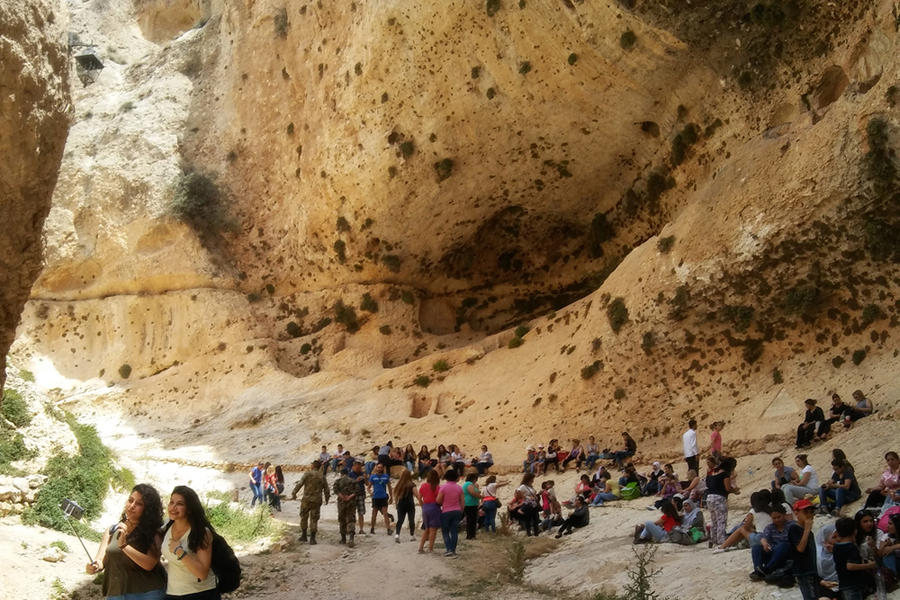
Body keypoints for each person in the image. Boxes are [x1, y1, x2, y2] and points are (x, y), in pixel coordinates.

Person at [86, 484, 166, 600]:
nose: (132, 506)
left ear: (148, 509)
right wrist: (93, 567)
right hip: (115, 594)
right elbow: (101, 560)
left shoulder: (154, 533)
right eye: (130, 500)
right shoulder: (112, 530)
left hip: (147, 594)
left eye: (139, 504)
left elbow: (150, 564)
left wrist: (124, 546)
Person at [162, 486, 218, 599]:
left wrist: (180, 552)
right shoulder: (167, 526)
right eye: (171, 502)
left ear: (189, 508)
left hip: (200, 593)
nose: (173, 507)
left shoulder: (201, 532)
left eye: (180, 504)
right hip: (173, 593)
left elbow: (202, 574)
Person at [832, 516, 877, 600]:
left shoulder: (836, 546)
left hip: (844, 583)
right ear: (854, 531)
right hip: (852, 585)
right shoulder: (850, 547)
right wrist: (870, 565)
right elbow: (850, 566)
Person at [749, 504, 793, 581]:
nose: (776, 520)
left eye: (779, 517)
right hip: (773, 552)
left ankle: (767, 570)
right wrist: (765, 544)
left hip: (787, 553)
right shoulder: (770, 527)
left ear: (784, 515)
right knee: (756, 548)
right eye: (774, 518)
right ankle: (758, 571)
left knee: (783, 545)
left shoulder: (792, 525)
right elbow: (763, 538)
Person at [292, 460, 330, 544]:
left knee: (304, 517)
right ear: (319, 467)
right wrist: (327, 498)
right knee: (314, 518)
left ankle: (304, 536)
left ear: (313, 466)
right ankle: (312, 538)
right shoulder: (322, 476)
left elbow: (300, 484)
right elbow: (326, 489)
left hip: (306, 500)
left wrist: (294, 493)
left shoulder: (307, 474)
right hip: (316, 500)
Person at [787, 499, 818, 600]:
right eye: (805, 512)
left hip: (811, 570)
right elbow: (800, 548)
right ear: (796, 513)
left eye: (811, 512)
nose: (809, 515)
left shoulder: (808, 532)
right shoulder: (794, 528)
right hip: (803, 571)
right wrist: (807, 529)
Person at [706, 456, 739, 546]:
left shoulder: (712, 473)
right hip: (719, 498)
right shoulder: (725, 474)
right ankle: (721, 540)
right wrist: (735, 490)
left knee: (714, 520)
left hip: (709, 498)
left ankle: (713, 539)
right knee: (721, 520)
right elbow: (727, 488)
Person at [437, 469, 464, 557]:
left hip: (446, 511)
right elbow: (462, 501)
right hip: (457, 511)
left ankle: (448, 549)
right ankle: (453, 550)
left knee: (445, 531)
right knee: (454, 531)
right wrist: (461, 511)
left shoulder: (443, 487)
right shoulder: (459, 487)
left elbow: (438, 500)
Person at [418, 469, 442, 553]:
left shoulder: (423, 485)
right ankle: (430, 548)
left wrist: (422, 506)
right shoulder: (438, 487)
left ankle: (421, 547)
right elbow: (440, 499)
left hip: (425, 507)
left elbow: (419, 497)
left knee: (426, 529)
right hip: (434, 507)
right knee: (433, 530)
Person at [333, 467, 358, 547]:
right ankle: (351, 538)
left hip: (341, 502)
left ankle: (343, 539)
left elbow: (335, 490)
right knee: (351, 519)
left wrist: (342, 497)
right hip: (351, 502)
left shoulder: (338, 481)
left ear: (341, 473)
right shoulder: (353, 481)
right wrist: (349, 497)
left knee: (342, 519)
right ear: (348, 473)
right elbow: (357, 491)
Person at [393, 468, 419, 543]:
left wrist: (396, 504)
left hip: (401, 504)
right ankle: (412, 535)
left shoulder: (399, 484)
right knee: (411, 520)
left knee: (400, 520)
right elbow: (417, 495)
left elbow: (396, 495)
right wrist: (421, 501)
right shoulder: (412, 484)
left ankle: (397, 535)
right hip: (410, 504)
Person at [368, 462, 393, 535]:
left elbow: (389, 487)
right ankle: (372, 528)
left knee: (385, 514)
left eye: (381, 467)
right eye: (378, 467)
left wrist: (391, 497)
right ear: (376, 468)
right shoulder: (373, 477)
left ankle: (388, 529)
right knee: (374, 514)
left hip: (383, 497)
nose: (379, 469)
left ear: (383, 468)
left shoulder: (386, 476)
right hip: (375, 497)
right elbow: (368, 487)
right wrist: (370, 493)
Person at [348, 460, 367, 535]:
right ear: (353, 467)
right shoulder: (350, 474)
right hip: (352, 495)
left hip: (361, 495)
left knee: (361, 513)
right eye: (357, 467)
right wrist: (356, 480)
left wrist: (365, 478)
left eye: (360, 467)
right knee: (351, 513)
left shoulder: (362, 474)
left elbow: (368, 484)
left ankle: (361, 529)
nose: (358, 469)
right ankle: (350, 529)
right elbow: (348, 484)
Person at [462, 472, 481, 539]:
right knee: (471, 520)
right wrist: (480, 496)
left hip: (470, 504)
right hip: (470, 504)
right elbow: (473, 493)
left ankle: (471, 535)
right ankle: (470, 535)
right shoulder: (469, 484)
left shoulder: (469, 484)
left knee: (471, 520)